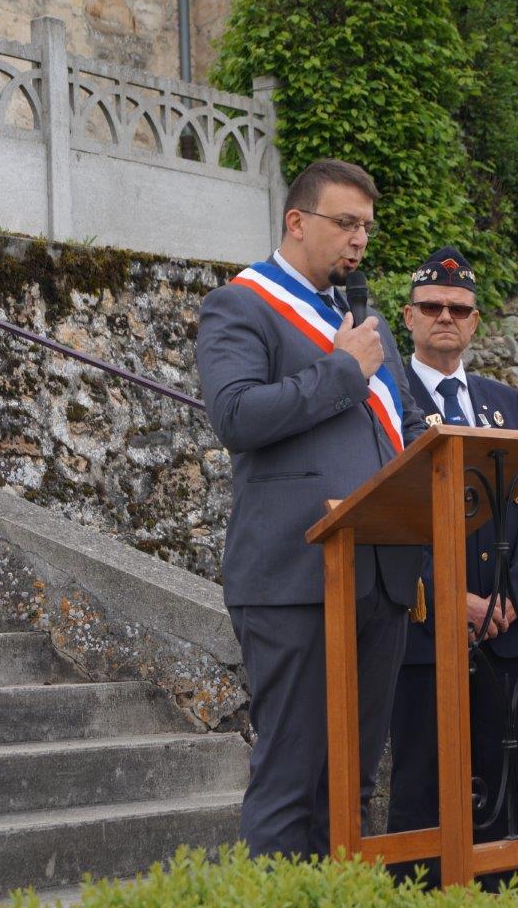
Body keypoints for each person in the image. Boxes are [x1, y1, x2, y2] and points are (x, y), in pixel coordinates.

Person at [196, 159, 425, 858]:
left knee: (353, 786)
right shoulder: (241, 305)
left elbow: (410, 430)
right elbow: (234, 416)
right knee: (290, 780)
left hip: (380, 573)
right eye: (344, 223)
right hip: (295, 575)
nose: (358, 241)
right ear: (297, 222)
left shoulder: (358, 318)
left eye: (365, 228)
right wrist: (339, 371)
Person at [387, 247, 518, 891]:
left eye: (458, 309)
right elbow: (383, 516)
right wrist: (450, 600)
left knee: (503, 790)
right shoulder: (384, 402)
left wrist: (513, 597)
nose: (445, 317)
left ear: (475, 322)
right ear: (409, 317)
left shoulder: (505, 402)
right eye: (432, 307)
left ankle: (501, 900)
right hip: (425, 636)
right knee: (423, 790)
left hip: (502, 636)